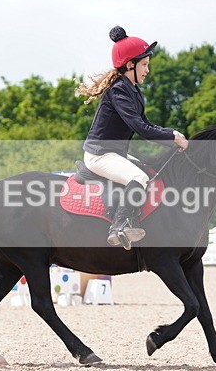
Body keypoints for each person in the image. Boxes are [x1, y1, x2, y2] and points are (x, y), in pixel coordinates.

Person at [77, 26, 189, 247]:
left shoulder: (133, 90)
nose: (148, 70)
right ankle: (120, 225)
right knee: (138, 178)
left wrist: (171, 137)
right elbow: (141, 129)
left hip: (114, 154)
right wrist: (172, 136)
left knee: (148, 172)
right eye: (144, 64)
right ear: (130, 65)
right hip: (100, 155)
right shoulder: (118, 90)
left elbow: (146, 124)